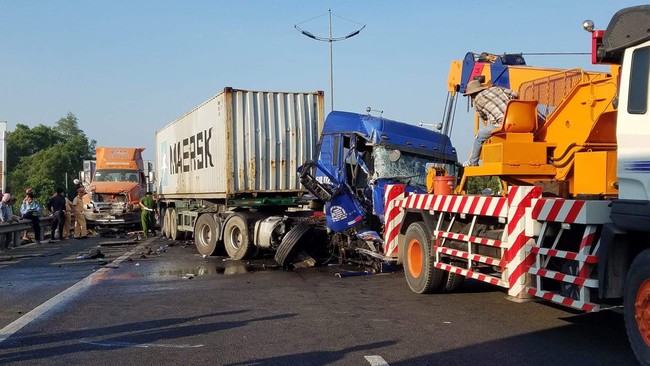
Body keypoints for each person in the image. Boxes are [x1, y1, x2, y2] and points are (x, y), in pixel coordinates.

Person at [462, 80, 519, 167]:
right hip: (519, 121)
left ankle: (473, 162)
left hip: (503, 124)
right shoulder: (497, 89)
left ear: (472, 94)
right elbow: (515, 94)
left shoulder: (476, 101)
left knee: (479, 136)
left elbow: (484, 117)